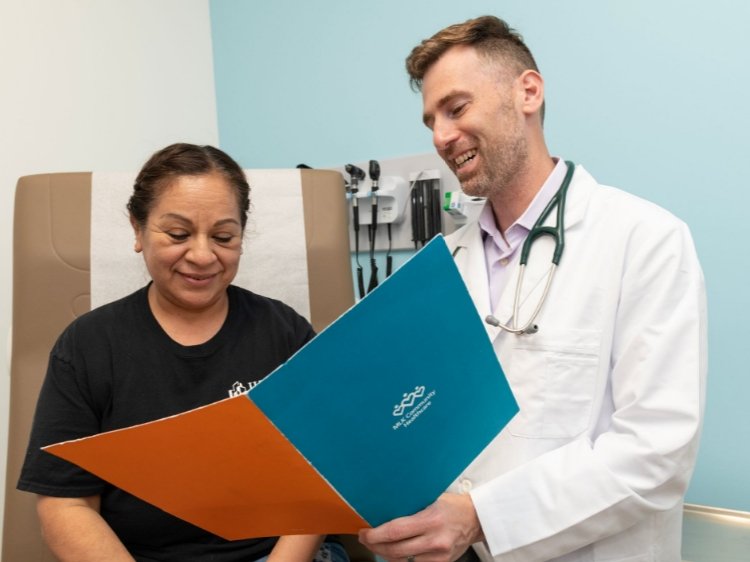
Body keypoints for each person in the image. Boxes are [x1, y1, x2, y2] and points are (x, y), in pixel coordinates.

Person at [359, 15, 707, 562]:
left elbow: (656, 454)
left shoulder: (645, 240)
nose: (440, 137)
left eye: (456, 108)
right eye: (431, 120)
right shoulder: (443, 267)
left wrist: (480, 518)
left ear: (527, 91)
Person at [18, 143, 349, 562]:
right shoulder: (88, 347)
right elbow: (65, 504)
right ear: (137, 230)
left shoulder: (283, 332)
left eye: (224, 237)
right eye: (177, 234)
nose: (202, 255)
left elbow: (323, 470)